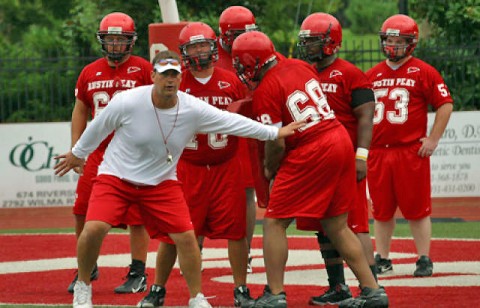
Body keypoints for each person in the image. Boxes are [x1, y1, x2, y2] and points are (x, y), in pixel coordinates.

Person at [54, 49, 304, 308]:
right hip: (117, 176)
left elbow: (232, 122)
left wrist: (274, 133)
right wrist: (78, 153)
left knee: (186, 237)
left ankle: (196, 296)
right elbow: (99, 126)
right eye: (164, 75)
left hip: (161, 181)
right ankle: (83, 286)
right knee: (94, 228)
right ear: (153, 76)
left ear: (181, 78)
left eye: (174, 74)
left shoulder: (191, 108)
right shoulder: (128, 101)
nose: (169, 80)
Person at [231, 30, 388, 308]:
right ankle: (373, 291)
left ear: (251, 61)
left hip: (311, 148)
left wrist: (270, 170)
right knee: (336, 225)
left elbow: (276, 142)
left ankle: (275, 294)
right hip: (338, 138)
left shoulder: (266, 88)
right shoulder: (299, 66)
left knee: (275, 222)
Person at [137, 22, 255, 308]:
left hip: (226, 165)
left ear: (214, 47)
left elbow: (247, 122)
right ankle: (157, 288)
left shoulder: (231, 81)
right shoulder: (177, 82)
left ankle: (241, 288)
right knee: (172, 233)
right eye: (194, 46)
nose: (200, 51)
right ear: (184, 52)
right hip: (187, 168)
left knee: (236, 232)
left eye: (204, 45)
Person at [294, 13, 378, 305]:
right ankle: (338, 286)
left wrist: (361, 156)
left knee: (354, 225)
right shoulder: (305, 71)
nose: (309, 47)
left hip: (345, 159)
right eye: (307, 41)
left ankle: (372, 286)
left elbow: (366, 118)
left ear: (331, 42)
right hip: (318, 163)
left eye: (314, 41)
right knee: (324, 225)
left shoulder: (351, 74)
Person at [68, 12, 150, 294]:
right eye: (110, 39)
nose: (115, 45)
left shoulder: (143, 69)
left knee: (137, 216)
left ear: (131, 41)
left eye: (120, 39)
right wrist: (77, 148)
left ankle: (138, 271)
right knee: (81, 211)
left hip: (133, 154)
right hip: (99, 154)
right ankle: (86, 266)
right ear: (102, 41)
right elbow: (80, 110)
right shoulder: (89, 71)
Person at [366, 14, 453, 277]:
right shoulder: (371, 74)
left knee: (417, 209)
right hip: (379, 151)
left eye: (398, 40)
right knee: (381, 211)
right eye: (388, 39)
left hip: (409, 151)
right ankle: (382, 257)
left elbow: (445, 104)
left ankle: (423, 257)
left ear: (411, 43)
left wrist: (433, 139)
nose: (392, 45)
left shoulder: (423, 71)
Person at [216, 5, 259, 274]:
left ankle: (246, 249)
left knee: (247, 192)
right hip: (210, 131)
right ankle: (192, 249)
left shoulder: (258, 48)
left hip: (245, 130)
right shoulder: (208, 53)